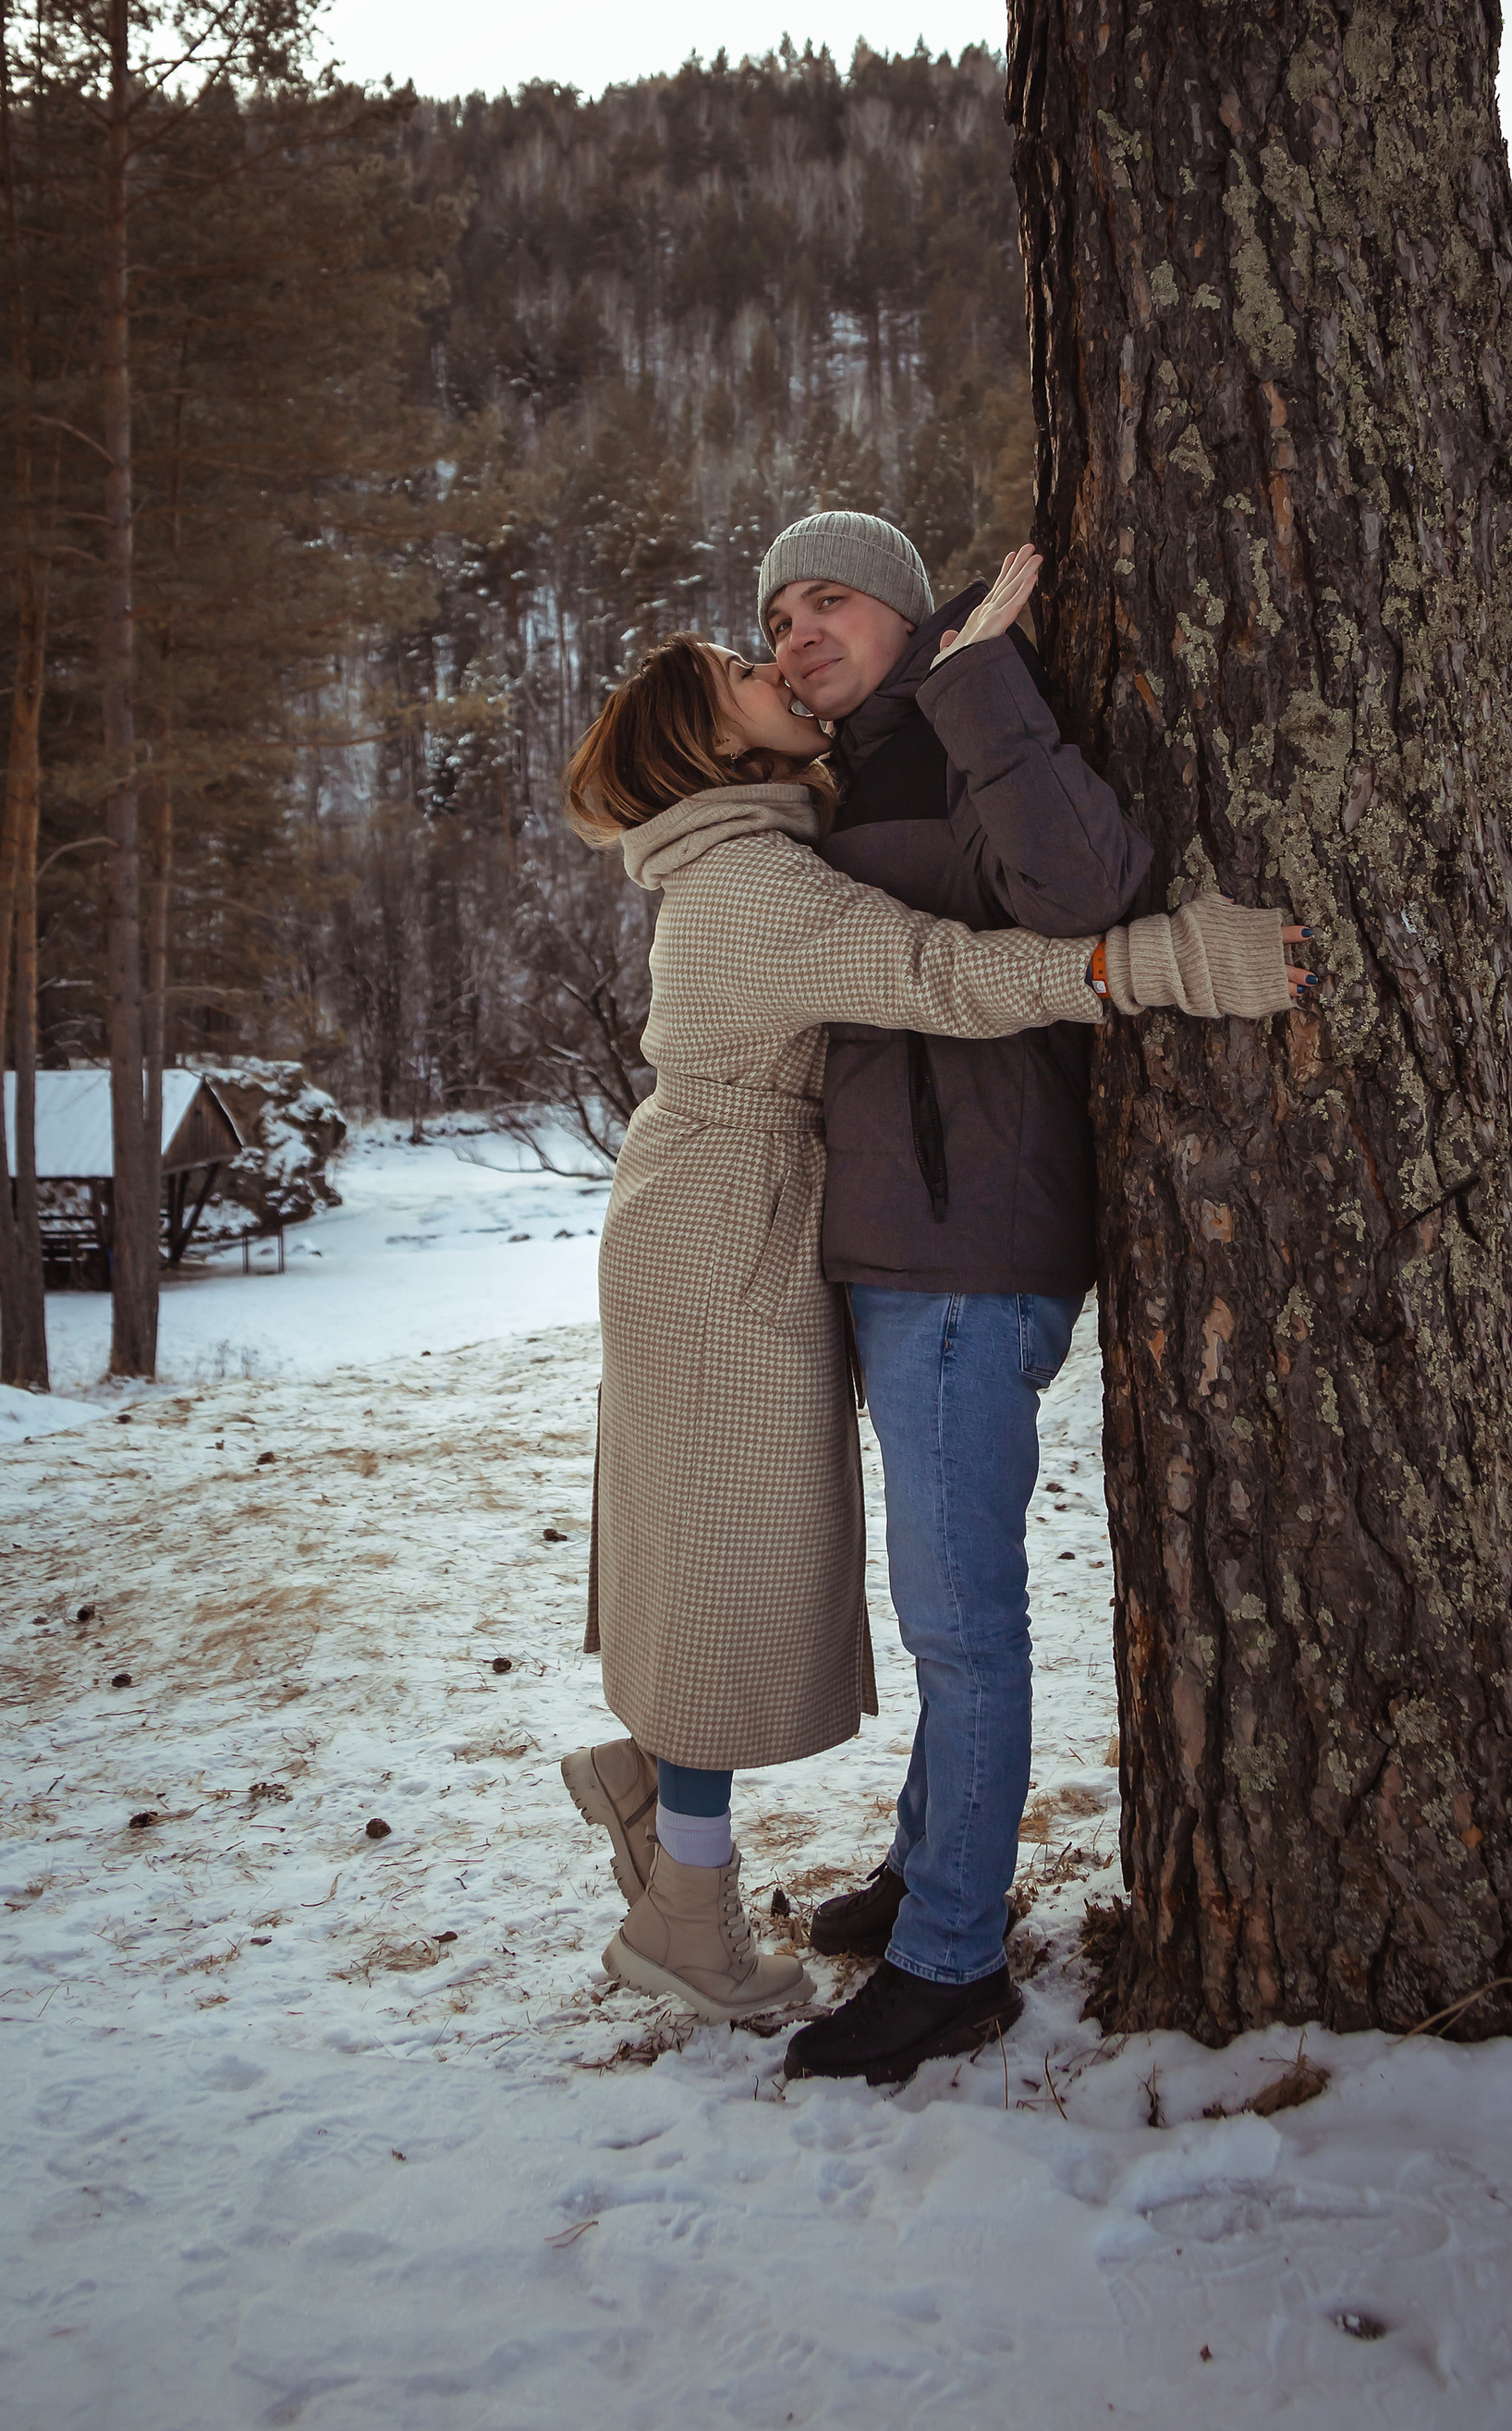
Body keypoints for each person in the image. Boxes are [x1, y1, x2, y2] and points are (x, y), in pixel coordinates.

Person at [557, 565, 1303, 2067]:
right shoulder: (755, 882)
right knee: (732, 1571)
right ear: (716, 750)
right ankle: (694, 1902)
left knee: (738, 1565)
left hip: (740, 1228)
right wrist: (1169, 964)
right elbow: (935, 973)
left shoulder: (762, 845)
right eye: (747, 663)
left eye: (794, 628)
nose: (777, 659)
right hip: (727, 1245)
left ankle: (696, 1835)